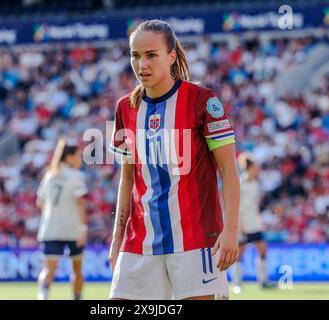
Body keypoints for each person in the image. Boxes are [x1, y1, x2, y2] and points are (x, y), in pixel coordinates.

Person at [108, 19, 241, 300]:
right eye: (135, 55)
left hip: (196, 243)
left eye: (151, 55)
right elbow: (128, 178)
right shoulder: (125, 107)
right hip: (139, 243)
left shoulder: (203, 100)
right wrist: (117, 236)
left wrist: (230, 230)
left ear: (171, 56)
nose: (141, 64)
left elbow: (229, 170)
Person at [36, 138, 88, 300]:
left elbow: (40, 203)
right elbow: (80, 204)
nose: (80, 159)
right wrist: (83, 229)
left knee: (49, 270)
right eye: (78, 156)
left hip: (50, 228)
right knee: (77, 270)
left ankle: (42, 296)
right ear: (69, 157)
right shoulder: (77, 176)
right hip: (72, 228)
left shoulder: (49, 175)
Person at [231, 152, 276, 294]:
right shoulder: (240, 184)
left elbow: (257, 205)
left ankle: (264, 281)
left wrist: (259, 219)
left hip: (254, 223)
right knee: (239, 254)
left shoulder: (257, 184)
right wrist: (239, 225)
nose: (258, 170)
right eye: (256, 167)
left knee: (262, 248)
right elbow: (235, 206)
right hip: (243, 224)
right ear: (249, 168)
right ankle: (237, 283)